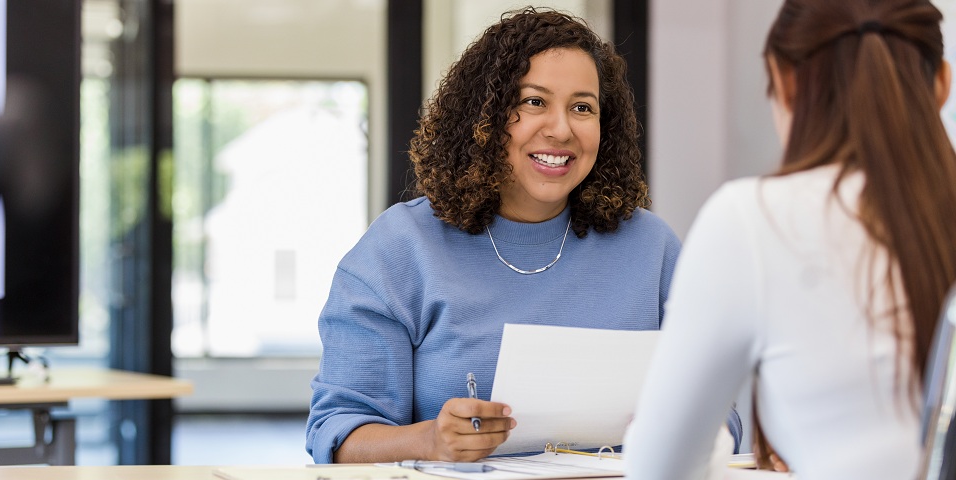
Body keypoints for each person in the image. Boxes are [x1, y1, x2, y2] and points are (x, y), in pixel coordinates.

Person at [306, 7, 741, 464]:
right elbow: (339, 434)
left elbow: (723, 414)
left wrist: (685, 424)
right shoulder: (400, 248)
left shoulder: (652, 248)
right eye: (534, 101)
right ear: (486, 116)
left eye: (582, 107)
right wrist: (432, 441)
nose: (561, 129)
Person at [623, 0, 956, 478]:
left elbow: (658, 468)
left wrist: (713, 446)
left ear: (784, 82)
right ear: (942, 83)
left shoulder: (751, 220)